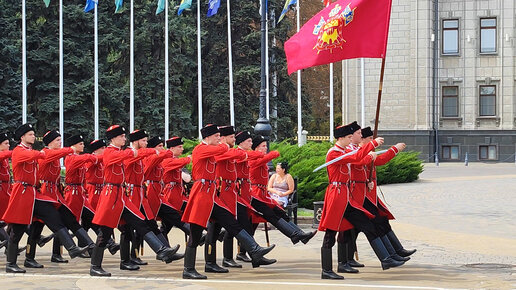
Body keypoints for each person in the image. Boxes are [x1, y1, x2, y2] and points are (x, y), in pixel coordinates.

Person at [181, 124, 275, 279]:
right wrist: (225, 143)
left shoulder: (212, 149)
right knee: (196, 233)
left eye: (220, 136)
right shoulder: (201, 149)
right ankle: (188, 268)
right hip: (201, 194)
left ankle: (254, 249)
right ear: (208, 137)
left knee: (230, 221)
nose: (219, 139)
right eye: (217, 136)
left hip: (211, 194)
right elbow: (222, 150)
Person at [89, 125, 180, 277]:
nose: (124, 139)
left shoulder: (120, 152)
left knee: (139, 221)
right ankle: (95, 266)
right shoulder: (110, 152)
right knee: (104, 232)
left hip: (121, 195)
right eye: (121, 137)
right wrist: (154, 150)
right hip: (111, 195)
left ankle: (161, 250)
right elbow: (127, 156)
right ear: (113, 138)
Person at [319, 123, 404, 280]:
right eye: (349, 137)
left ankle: (385, 259)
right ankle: (326, 270)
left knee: (366, 224)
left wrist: (374, 150)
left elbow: (359, 157)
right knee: (330, 234)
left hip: (346, 197)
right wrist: (372, 144)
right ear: (341, 138)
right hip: (337, 196)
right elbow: (357, 157)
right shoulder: (334, 153)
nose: (351, 139)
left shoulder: (343, 151)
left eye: (353, 136)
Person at [3, 124, 89, 273]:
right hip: (22, 193)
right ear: (22, 137)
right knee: (18, 229)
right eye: (30, 134)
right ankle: (11, 263)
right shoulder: (19, 151)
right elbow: (38, 155)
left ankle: (71, 247)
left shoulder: (29, 151)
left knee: (51, 214)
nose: (33, 136)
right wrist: (69, 150)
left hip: (33, 193)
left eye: (33, 134)